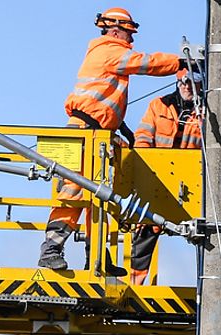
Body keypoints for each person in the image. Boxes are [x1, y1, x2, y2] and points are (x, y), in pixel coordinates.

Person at [39, 7, 186, 272]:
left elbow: (103, 102)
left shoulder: (106, 53)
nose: (131, 40)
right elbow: (146, 63)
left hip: (96, 135)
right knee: (72, 194)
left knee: (97, 197)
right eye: (129, 34)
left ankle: (97, 258)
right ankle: (51, 250)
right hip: (84, 134)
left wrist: (123, 129)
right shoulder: (109, 51)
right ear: (116, 30)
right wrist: (180, 63)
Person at [128, 70, 203, 285]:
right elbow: (142, 138)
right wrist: (146, 166)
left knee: (203, 233)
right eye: (184, 81)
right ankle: (136, 284)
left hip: (190, 185)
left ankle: (207, 288)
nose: (187, 86)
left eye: (193, 82)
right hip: (157, 180)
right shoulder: (159, 105)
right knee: (145, 230)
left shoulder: (208, 112)